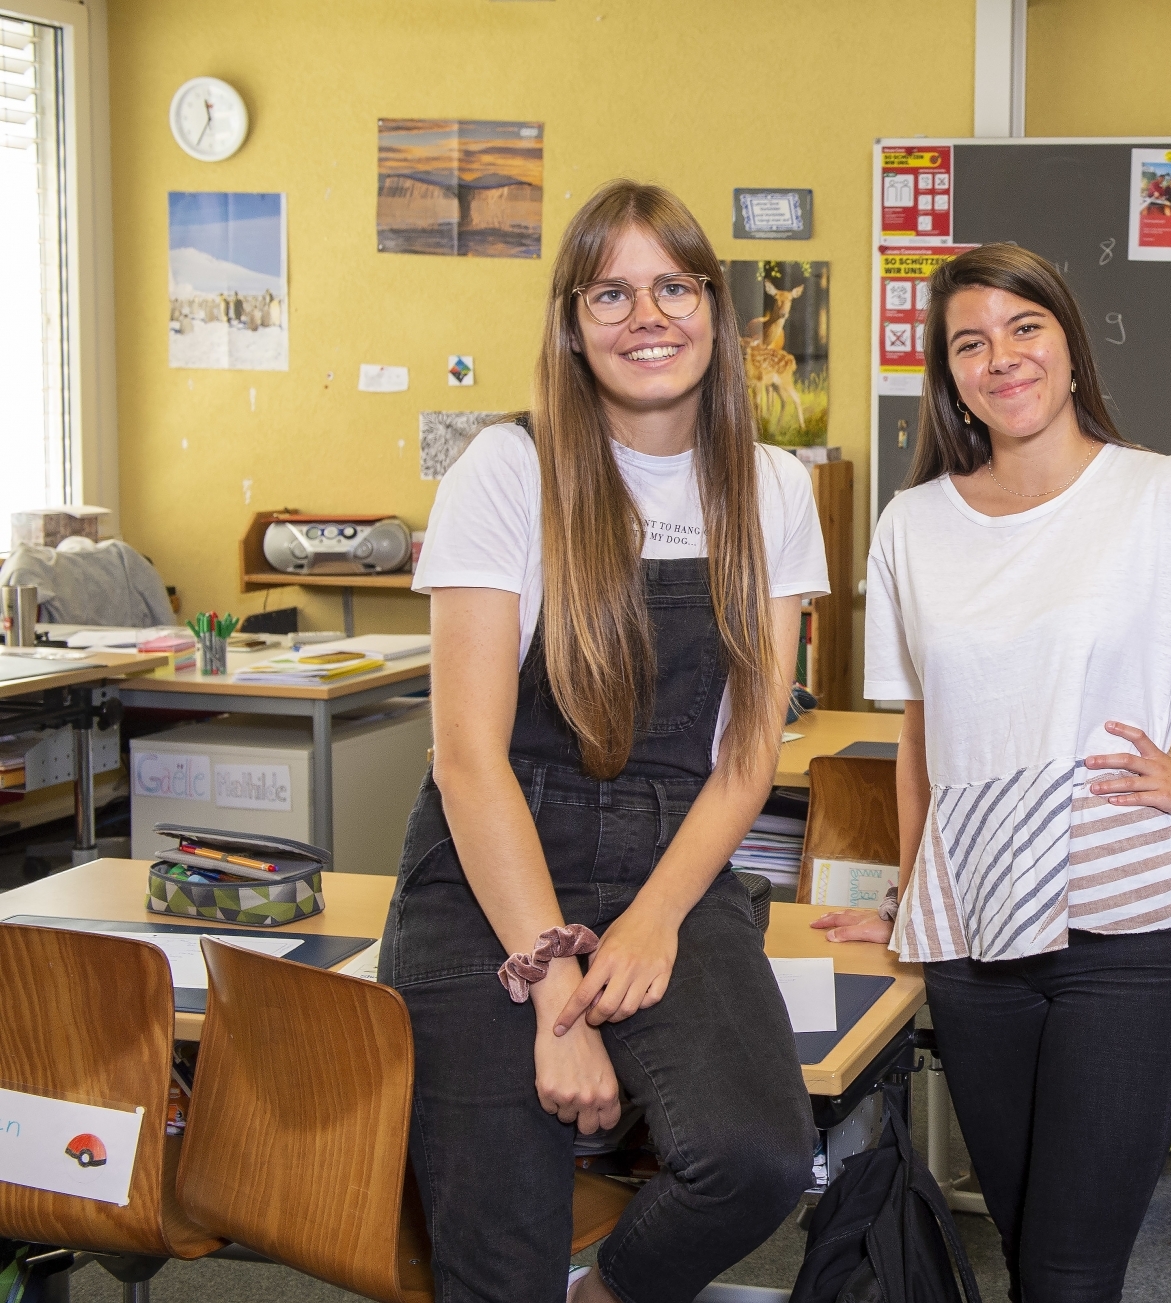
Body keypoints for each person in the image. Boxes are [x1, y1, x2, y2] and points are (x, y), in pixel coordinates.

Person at [812, 243, 1171, 1301]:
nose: (1002, 358)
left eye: (1025, 328)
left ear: (1069, 346)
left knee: (1068, 1272)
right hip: (974, 932)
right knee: (1029, 1248)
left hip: (1127, 930)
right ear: (949, 376)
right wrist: (910, 894)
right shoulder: (911, 525)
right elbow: (922, 734)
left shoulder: (1168, 498)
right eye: (969, 342)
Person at [381, 179, 825, 1303]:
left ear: (716, 312)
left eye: (673, 286)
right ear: (572, 323)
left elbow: (744, 755)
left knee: (759, 1160)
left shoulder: (772, 488)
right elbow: (468, 757)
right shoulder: (507, 469)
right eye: (611, 292)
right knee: (498, 1253)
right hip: (492, 864)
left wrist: (653, 922)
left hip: (674, 855)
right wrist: (553, 990)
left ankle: (609, 1293)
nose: (647, 316)